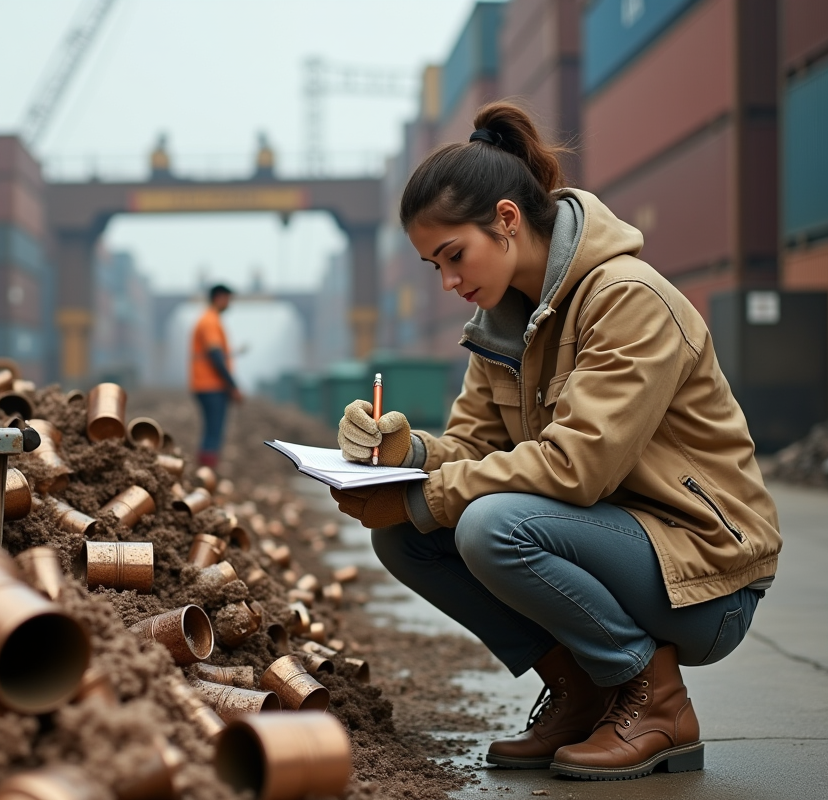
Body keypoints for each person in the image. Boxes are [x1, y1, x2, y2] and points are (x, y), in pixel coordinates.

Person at [332, 102, 781, 781]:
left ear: (507, 219)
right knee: (404, 536)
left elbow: (577, 469)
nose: (449, 282)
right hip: (613, 544)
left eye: (454, 255)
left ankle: (657, 704)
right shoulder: (502, 322)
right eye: (433, 266)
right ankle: (583, 692)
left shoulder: (627, 297)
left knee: (488, 525)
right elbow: (473, 449)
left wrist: (425, 496)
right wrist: (402, 455)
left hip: (705, 576)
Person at [189, 284, 242, 468]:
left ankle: (205, 472)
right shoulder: (210, 321)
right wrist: (232, 386)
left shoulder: (208, 319)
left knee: (211, 430)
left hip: (205, 385)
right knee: (214, 431)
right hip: (211, 386)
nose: (229, 303)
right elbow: (216, 356)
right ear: (219, 298)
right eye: (228, 298)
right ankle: (206, 472)